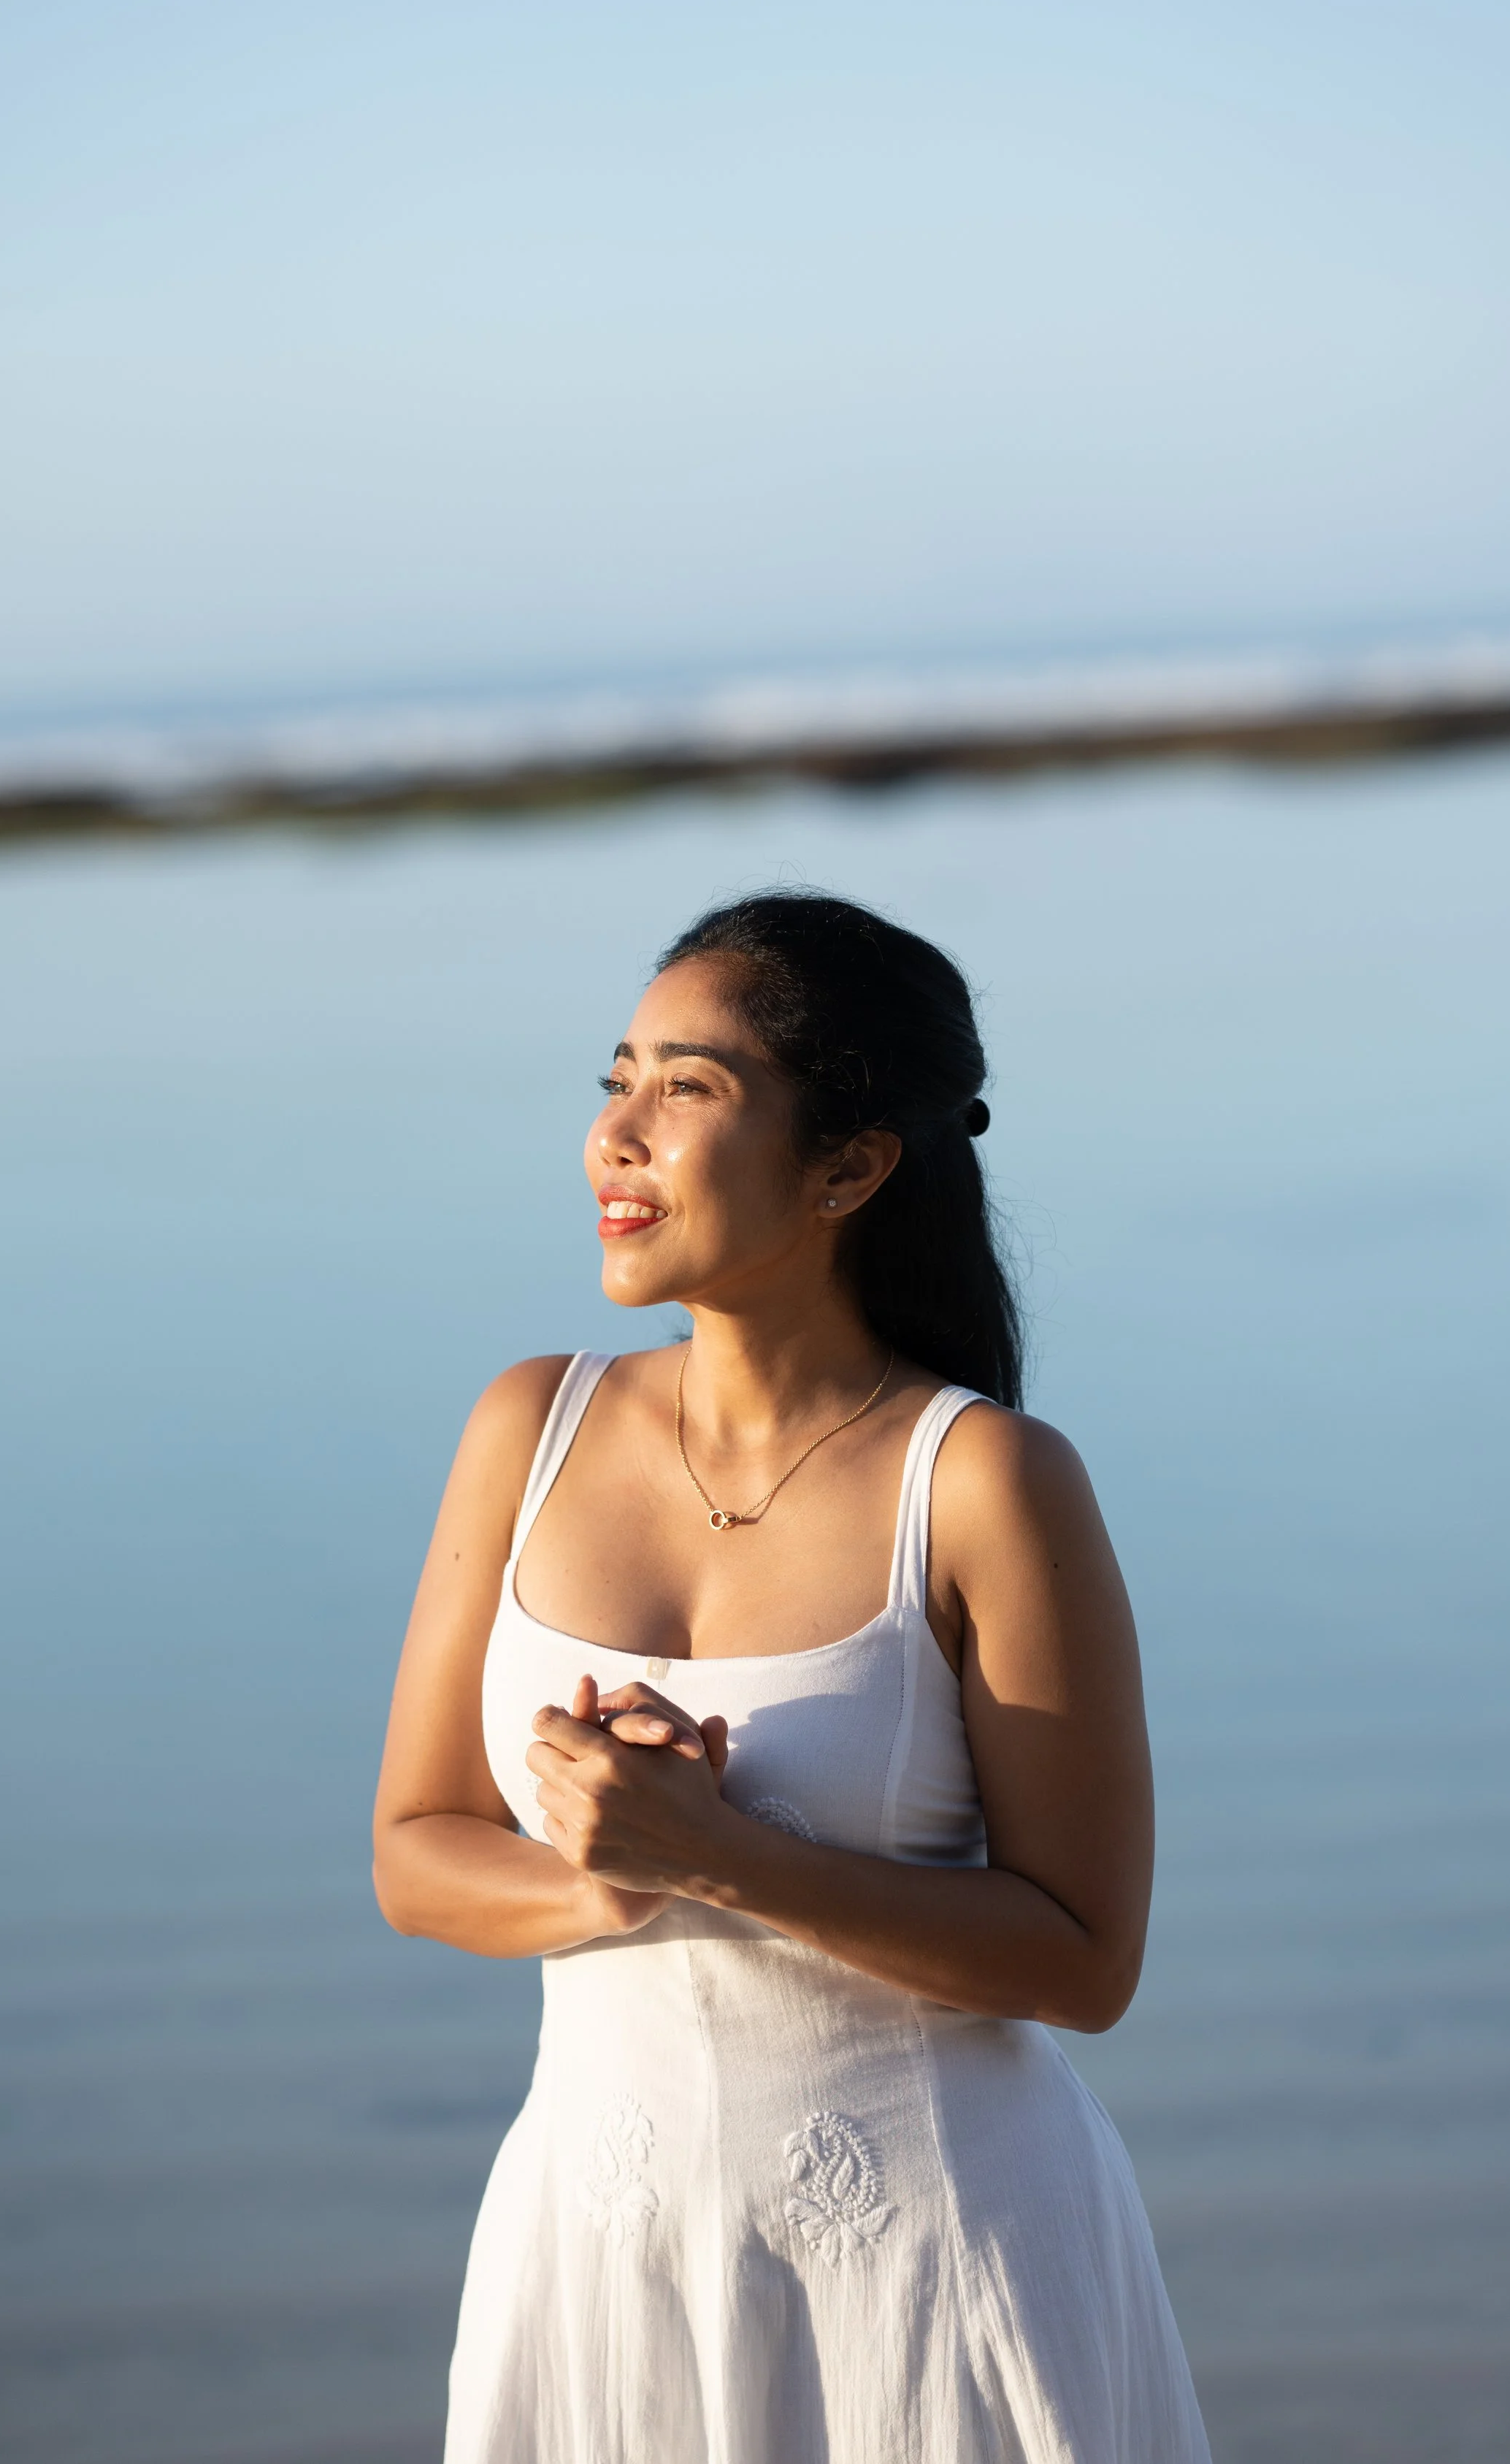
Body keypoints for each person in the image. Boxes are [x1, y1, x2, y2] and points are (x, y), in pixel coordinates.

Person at [374, 890, 1211, 2463]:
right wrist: (610, 1886)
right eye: (613, 1079)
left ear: (848, 1164)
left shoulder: (980, 1482)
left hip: (941, 2257)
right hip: (600, 2248)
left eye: (686, 1090)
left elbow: (1084, 1960)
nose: (614, 1137)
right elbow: (415, 1854)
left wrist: (722, 1858)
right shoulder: (526, 1428)